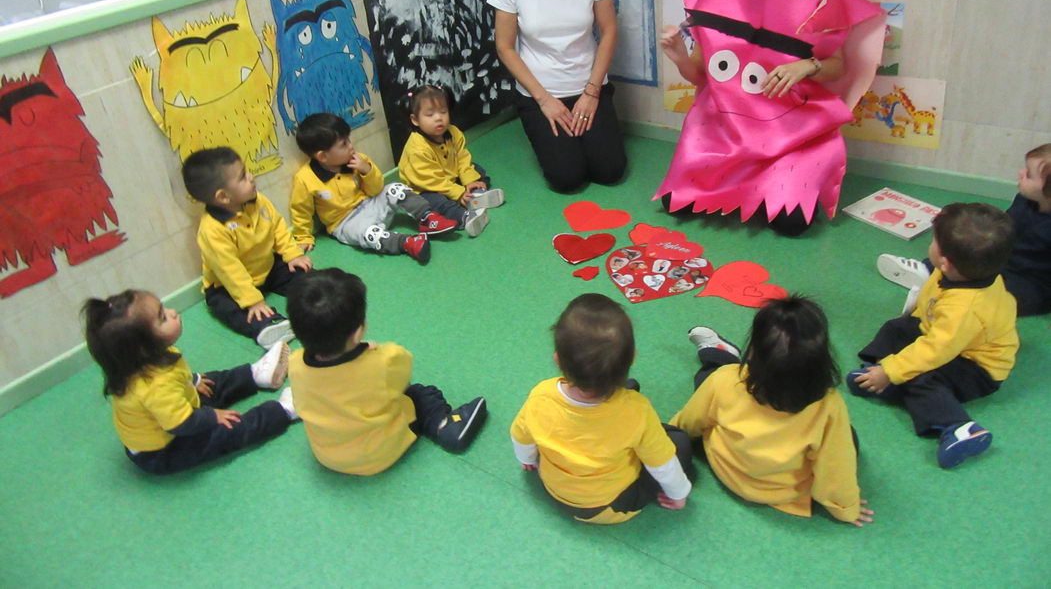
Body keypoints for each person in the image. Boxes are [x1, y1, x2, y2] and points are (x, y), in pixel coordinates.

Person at [656, 0, 885, 236]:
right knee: (674, 203)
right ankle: (740, 179)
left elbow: (838, 67)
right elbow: (700, 76)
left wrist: (806, 66)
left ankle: (772, 180)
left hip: (788, 135)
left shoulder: (814, 0)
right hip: (724, 128)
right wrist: (678, 55)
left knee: (792, 223)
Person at [669, 299, 872, 526]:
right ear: (822, 360)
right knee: (848, 439)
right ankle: (719, 353)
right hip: (781, 491)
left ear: (753, 350)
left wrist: (670, 438)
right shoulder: (829, 405)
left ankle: (716, 352)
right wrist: (844, 507)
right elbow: (835, 466)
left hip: (727, 469)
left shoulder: (727, 379)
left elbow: (689, 422)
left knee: (709, 379)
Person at [847, 203, 1018, 469]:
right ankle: (884, 375)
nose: (931, 244)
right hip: (946, 337)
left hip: (977, 367)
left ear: (945, 262)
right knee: (897, 328)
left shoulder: (965, 309)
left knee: (922, 378)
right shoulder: (965, 271)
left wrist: (892, 371)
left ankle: (959, 427)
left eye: (934, 240)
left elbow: (934, 352)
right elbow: (931, 307)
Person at [487, 0, 627, 193]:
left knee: (610, 171)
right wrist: (544, 100)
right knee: (567, 178)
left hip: (588, 88)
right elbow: (505, 47)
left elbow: (609, 30)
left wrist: (591, 93)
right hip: (540, 95)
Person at [510, 294, 693, 524]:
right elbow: (663, 465)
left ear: (558, 360)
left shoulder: (541, 395)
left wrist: (526, 459)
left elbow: (520, 435)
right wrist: (679, 495)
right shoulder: (637, 410)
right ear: (632, 359)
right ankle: (612, 390)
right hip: (609, 505)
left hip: (555, 488)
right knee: (679, 441)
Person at [285, 268, 487, 475]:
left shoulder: (294, 363)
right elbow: (404, 376)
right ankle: (443, 425)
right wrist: (373, 351)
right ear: (358, 333)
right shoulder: (383, 361)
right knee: (422, 394)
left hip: (327, 455)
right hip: (379, 453)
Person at [83, 289, 297, 475]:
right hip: (166, 449)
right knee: (228, 431)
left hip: (176, 411)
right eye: (163, 318)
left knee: (209, 381)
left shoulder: (149, 359)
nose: (173, 312)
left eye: (164, 309)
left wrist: (194, 381)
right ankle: (282, 410)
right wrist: (213, 416)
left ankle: (255, 375)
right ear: (143, 347)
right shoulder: (154, 386)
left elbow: (179, 375)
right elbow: (182, 423)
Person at [877, 144, 1051, 317]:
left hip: (1031, 282)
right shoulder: (1025, 198)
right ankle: (927, 271)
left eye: (1028, 175)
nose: (1020, 173)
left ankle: (943, 300)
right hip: (1000, 257)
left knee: (994, 295)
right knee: (965, 250)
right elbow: (1004, 227)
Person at [182, 147, 313, 349]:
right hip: (227, 287)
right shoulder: (212, 231)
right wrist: (253, 301)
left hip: (267, 267)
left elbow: (277, 225)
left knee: (307, 278)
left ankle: (321, 295)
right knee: (232, 308)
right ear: (223, 197)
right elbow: (229, 270)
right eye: (243, 177)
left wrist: (292, 253)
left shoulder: (256, 200)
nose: (251, 177)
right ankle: (268, 326)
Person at [290, 112, 458, 265]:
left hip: (370, 203)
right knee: (368, 233)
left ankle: (428, 218)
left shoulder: (357, 160)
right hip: (345, 223)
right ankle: (406, 243)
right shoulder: (305, 178)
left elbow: (376, 189)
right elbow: (301, 210)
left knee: (395, 188)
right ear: (322, 156)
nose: (351, 146)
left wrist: (366, 170)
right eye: (343, 144)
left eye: (349, 140)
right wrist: (303, 236)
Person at [397, 84, 505, 238]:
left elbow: (462, 157)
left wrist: (469, 180)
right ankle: (464, 216)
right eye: (430, 115)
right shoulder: (417, 148)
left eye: (443, 111)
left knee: (477, 170)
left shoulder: (453, 132)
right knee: (435, 202)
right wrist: (457, 191)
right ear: (415, 120)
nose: (439, 118)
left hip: (449, 176)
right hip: (425, 187)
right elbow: (431, 181)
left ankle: (475, 195)